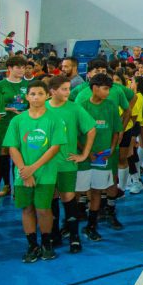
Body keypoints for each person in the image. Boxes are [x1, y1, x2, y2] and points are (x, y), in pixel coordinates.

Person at [3, 80, 66, 263]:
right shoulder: (18, 120)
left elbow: (54, 148)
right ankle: (32, 244)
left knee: (43, 209)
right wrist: (25, 170)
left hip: (45, 173)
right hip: (22, 174)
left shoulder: (54, 119)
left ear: (47, 95)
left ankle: (46, 242)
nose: (36, 97)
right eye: (32, 94)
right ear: (26, 97)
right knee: (27, 209)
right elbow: (12, 148)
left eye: (40, 93)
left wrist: (33, 168)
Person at [44, 75, 96, 253]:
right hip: (46, 165)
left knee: (68, 198)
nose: (68, 92)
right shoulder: (41, 108)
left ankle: (74, 236)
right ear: (52, 91)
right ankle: (54, 234)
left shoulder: (74, 108)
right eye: (64, 89)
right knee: (51, 198)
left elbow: (91, 129)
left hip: (66, 163)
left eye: (68, 88)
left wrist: (84, 154)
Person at [76, 75, 123, 241]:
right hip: (84, 158)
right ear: (94, 88)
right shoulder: (81, 107)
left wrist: (111, 148)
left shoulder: (110, 106)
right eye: (105, 88)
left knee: (97, 190)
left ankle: (91, 225)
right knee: (79, 190)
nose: (108, 92)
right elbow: (75, 134)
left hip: (103, 158)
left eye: (109, 89)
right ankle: (72, 227)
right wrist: (86, 152)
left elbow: (117, 130)